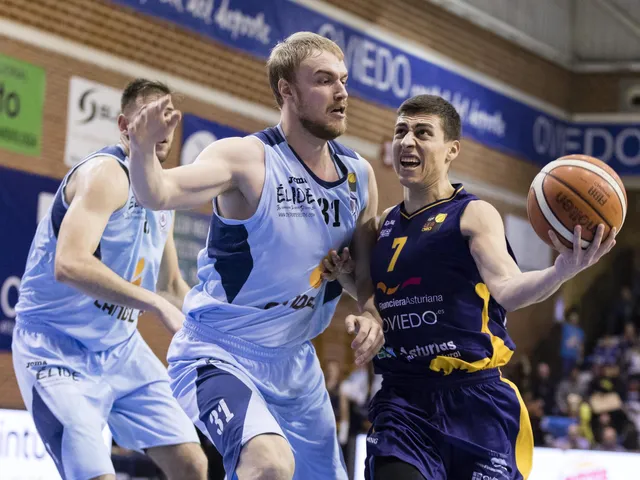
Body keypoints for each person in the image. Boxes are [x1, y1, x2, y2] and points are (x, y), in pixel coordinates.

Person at [126, 32, 383, 480]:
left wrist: (371, 312)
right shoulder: (246, 159)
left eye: (343, 80)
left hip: (295, 364)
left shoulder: (358, 176)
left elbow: (365, 277)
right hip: (219, 351)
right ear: (287, 90)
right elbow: (158, 193)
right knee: (268, 463)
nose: (341, 92)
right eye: (324, 80)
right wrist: (143, 150)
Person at [333, 94, 617, 480]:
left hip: (475, 401)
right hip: (404, 402)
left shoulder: (472, 214)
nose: (407, 141)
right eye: (401, 132)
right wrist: (344, 277)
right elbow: (375, 293)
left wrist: (560, 271)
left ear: (452, 149)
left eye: (422, 132)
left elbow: (508, 288)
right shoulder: (380, 225)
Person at [12, 79, 208, 480]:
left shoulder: (162, 195)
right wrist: (152, 303)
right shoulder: (105, 173)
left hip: (120, 349)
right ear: (124, 126)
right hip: (55, 346)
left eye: (168, 117)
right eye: (150, 116)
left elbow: (170, 286)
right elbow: (69, 263)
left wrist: (222, 329)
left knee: (192, 463)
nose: (162, 126)